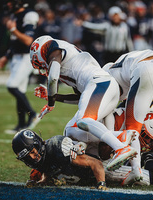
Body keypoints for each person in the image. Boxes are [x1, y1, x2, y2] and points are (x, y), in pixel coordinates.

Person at [29, 35, 137, 172]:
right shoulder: (73, 61)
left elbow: (53, 78)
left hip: (99, 83)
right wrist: (56, 97)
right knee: (71, 129)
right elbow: (81, 97)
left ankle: (120, 145)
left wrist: (51, 102)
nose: (43, 67)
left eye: (40, 64)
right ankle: (104, 147)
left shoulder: (51, 47)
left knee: (83, 120)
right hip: (104, 87)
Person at [102, 49, 153, 183]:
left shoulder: (108, 76)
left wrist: (110, 137)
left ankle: (136, 170)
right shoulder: (125, 60)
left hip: (144, 70)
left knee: (133, 129)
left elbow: (108, 110)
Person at [12, 129, 108, 190]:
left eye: (32, 152)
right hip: (87, 179)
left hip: (105, 169)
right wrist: (41, 182)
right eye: (27, 157)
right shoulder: (41, 160)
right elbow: (49, 170)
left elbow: (95, 163)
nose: (32, 158)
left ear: (38, 144)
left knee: (117, 177)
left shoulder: (57, 147)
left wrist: (101, 183)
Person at [0, 0, 40, 134]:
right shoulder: (14, 16)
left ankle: (32, 114)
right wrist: (6, 56)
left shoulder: (29, 15)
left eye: (10, 2)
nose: (8, 4)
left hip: (26, 57)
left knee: (12, 86)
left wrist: (13, 29)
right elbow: (14, 41)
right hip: (16, 57)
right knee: (19, 90)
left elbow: (28, 40)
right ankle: (21, 125)